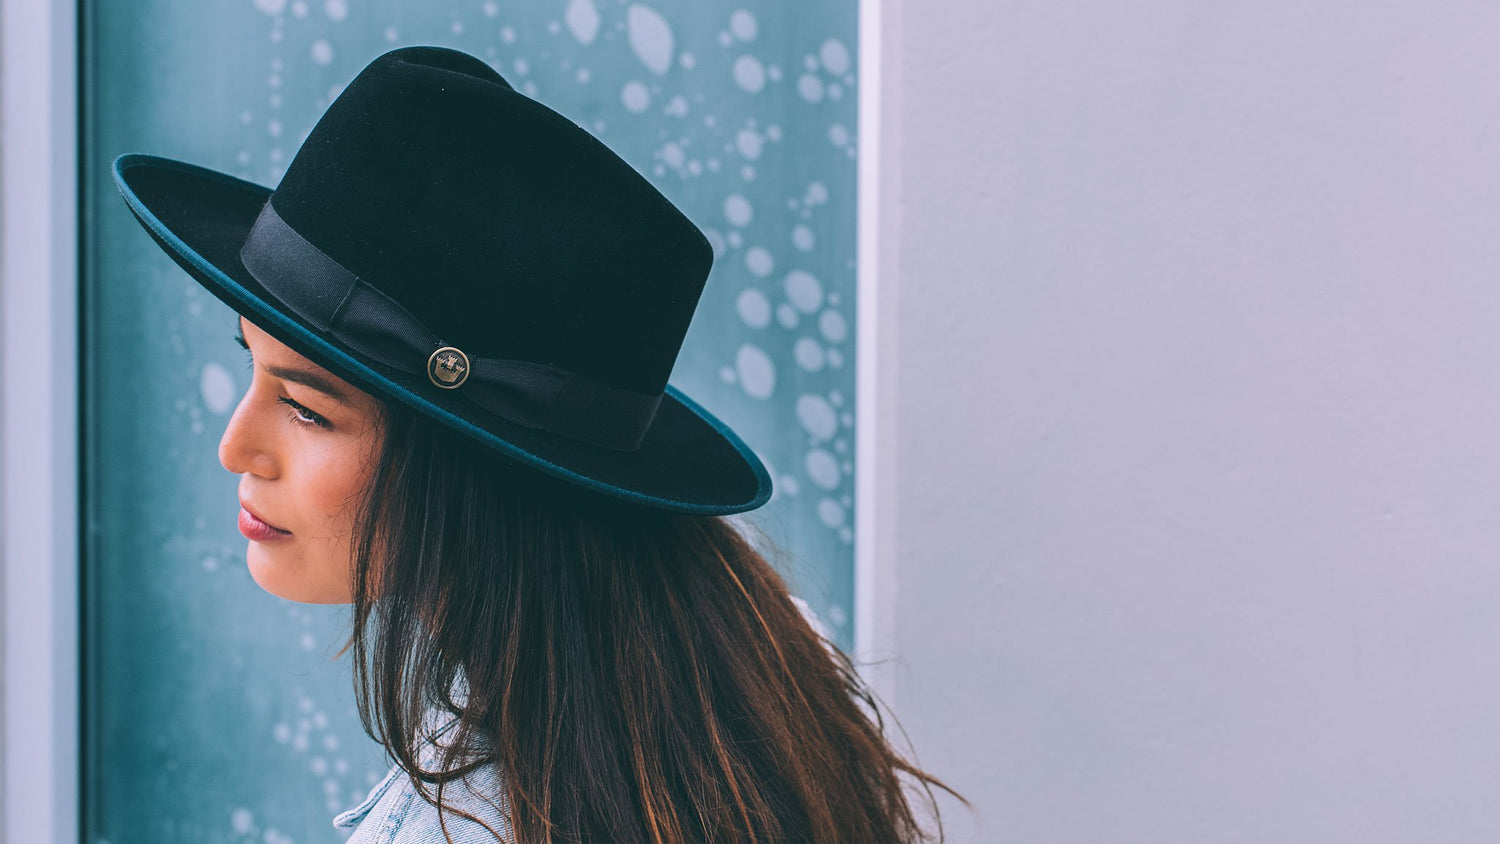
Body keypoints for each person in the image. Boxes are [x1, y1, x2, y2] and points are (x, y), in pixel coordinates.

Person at [113, 45, 966, 843]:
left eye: (306, 408)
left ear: (467, 458)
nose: (236, 449)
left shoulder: (469, 818)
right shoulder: (752, 655)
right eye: (251, 367)